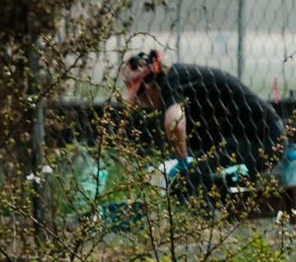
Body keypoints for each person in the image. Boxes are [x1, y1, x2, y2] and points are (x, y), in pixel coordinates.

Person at [119, 45, 285, 192]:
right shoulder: (182, 85)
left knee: (185, 182)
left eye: (143, 97)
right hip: (251, 141)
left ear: (151, 84)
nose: (144, 104)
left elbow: (175, 122)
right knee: (201, 177)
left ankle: (201, 224)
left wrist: (181, 162)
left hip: (262, 139)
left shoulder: (173, 80)